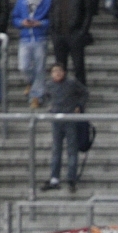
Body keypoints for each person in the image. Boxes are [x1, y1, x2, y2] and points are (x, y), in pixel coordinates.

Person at [40, 64, 88, 193]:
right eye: (54, 71)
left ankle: (71, 178)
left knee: (72, 149)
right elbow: (45, 97)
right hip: (56, 120)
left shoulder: (72, 83)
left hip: (70, 119)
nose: (57, 73)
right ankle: (54, 178)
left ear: (64, 72)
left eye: (60, 70)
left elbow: (84, 92)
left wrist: (79, 106)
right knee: (56, 149)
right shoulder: (49, 85)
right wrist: (49, 107)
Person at [11, 0, 51, 109]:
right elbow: (15, 17)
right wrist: (21, 23)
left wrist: (41, 23)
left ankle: (36, 97)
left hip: (40, 38)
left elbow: (52, 18)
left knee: (39, 68)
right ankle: (32, 83)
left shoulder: (47, 0)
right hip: (25, 37)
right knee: (23, 66)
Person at [51, 0, 96, 86]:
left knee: (78, 66)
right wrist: (53, 31)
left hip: (75, 34)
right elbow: (51, 11)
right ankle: (62, 93)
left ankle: (80, 93)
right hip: (58, 34)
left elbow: (88, 12)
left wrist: (82, 32)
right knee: (60, 67)